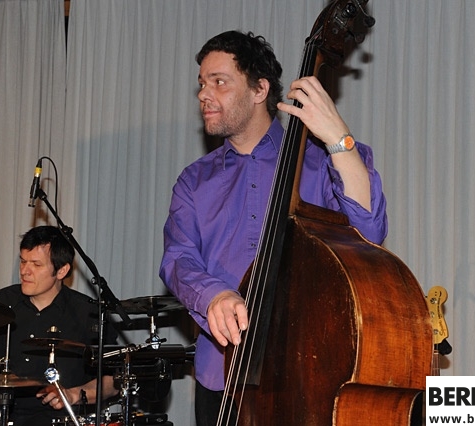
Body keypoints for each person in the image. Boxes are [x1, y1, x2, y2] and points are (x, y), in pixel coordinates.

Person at [159, 30, 388, 426]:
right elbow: (177, 258)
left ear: (259, 89)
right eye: (201, 84)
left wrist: (339, 140)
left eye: (219, 81)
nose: (204, 94)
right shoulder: (194, 181)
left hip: (308, 371)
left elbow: (369, 233)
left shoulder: (320, 163)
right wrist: (213, 296)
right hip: (223, 375)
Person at [0, 226, 119, 426]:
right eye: (23, 261)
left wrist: (73, 395)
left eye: (36, 264)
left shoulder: (88, 313)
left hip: (55, 418)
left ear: (62, 270)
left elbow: (113, 380)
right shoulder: (1, 303)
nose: (24, 271)